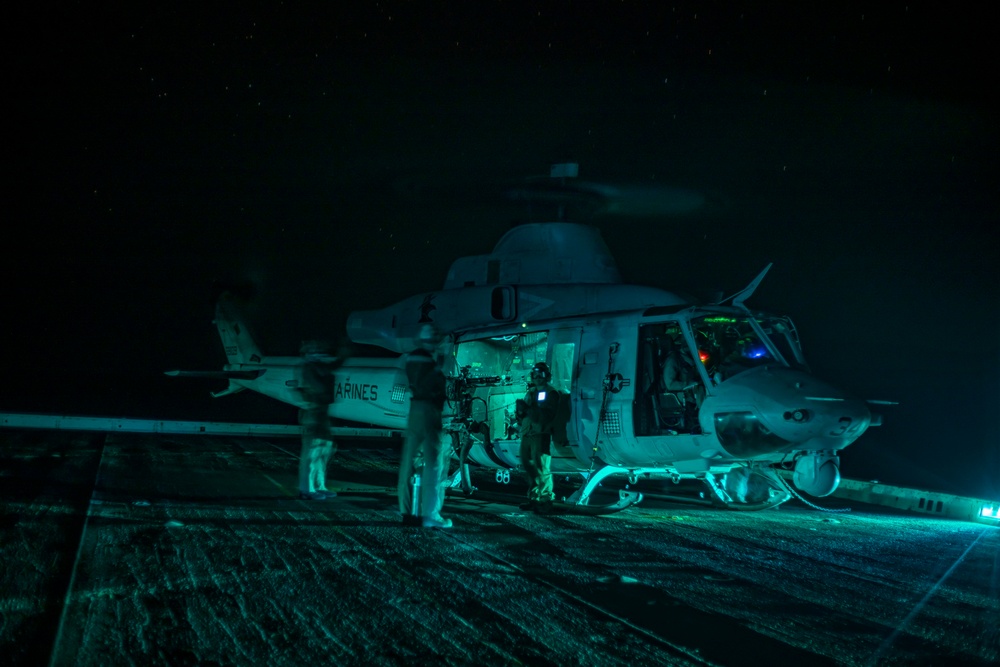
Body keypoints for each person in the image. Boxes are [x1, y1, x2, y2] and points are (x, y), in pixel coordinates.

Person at [398, 324, 452, 529]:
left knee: (409, 461)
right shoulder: (428, 360)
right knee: (434, 463)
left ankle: (408, 512)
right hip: (429, 411)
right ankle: (431, 513)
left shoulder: (412, 357)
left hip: (415, 410)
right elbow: (430, 385)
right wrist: (439, 365)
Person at [297, 340, 346, 500]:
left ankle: (319, 485)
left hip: (320, 413)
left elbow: (331, 371)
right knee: (313, 452)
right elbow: (321, 388)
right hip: (313, 413)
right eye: (315, 350)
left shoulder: (317, 367)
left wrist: (342, 356)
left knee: (323, 451)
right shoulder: (309, 368)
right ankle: (307, 489)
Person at [518, 362, 558, 513]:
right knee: (529, 467)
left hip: (540, 434)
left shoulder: (551, 393)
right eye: (534, 374)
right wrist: (520, 412)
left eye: (540, 374)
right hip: (527, 433)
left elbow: (546, 416)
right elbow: (524, 415)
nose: (537, 377)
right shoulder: (531, 392)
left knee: (542, 468)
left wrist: (528, 409)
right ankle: (534, 498)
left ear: (546, 376)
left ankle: (546, 500)